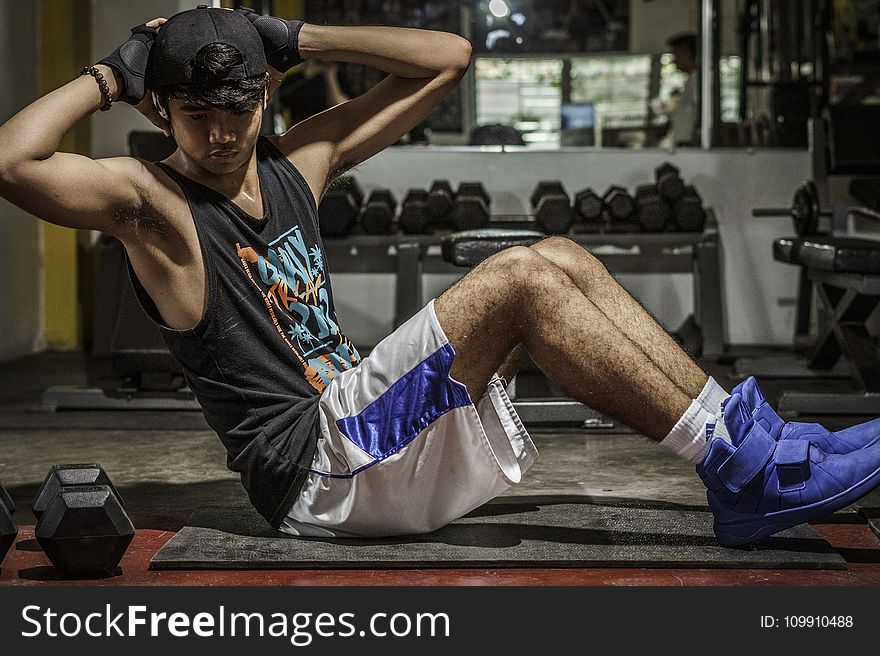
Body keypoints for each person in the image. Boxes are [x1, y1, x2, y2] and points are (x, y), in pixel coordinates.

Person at [1, 7, 880, 545]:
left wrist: (295, 36)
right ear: (163, 109)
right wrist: (111, 74)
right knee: (519, 282)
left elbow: (451, 56)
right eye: (197, 116)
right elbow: (13, 160)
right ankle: (746, 472)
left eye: (238, 110)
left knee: (559, 257)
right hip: (314, 467)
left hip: (361, 425)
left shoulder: (295, 164)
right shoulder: (154, 207)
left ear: (267, 93)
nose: (221, 136)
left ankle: (749, 443)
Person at [666, 32, 699, 147]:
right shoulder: (692, 79)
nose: (674, 60)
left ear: (687, 52)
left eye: (676, 55)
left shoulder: (699, 80)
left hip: (691, 144)